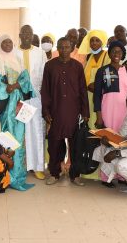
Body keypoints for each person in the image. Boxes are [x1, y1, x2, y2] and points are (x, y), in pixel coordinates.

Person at [0, 34, 35, 191]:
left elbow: (26, 80)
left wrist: (16, 87)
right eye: (5, 42)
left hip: (19, 104)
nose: (8, 44)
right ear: (0, 44)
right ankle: (4, 175)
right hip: (4, 105)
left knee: (19, 139)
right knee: (5, 138)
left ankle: (17, 176)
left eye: (10, 41)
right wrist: (12, 87)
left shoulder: (17, 58)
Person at [41, 37, 89, 186]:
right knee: (55, 144)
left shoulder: (77, 66)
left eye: (67, 47)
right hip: (55, 110)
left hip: (73, 111)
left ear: (72, 48)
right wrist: (46, 111)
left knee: (75, 144)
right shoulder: (49, 66)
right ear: (57, 48)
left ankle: (75, 175)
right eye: (61, 47)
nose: (64, 50)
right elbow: (45, 90)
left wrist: (85, 112)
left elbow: (82, 91)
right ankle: (55, 173)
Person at [16, 25, 48, 180]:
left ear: (33, 35)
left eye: (30, 32)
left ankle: (37, 166)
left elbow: (45, 75)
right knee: (20, 132)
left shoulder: (40, 53)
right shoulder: (13, 52)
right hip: (19, 98)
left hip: (35, 98)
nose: (27, 35)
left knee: (36, 132)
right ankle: (21, 165)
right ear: (20, 35)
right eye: (24, 33)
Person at [93, 41, 127, 132]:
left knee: (123, 138)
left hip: (126, 111)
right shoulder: (102, 71)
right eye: (114, 51)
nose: (116, 54)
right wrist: (99, 116)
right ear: (109, 54)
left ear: (122, 54)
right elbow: (97, 95)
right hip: (108, 111)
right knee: (108, 140)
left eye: (119, 52)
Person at [79, 30, 109, 129]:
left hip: (102, 98)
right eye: (92, 40)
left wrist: (97, 86)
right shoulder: (89, 57)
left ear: (102, 42)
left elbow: (110, 78)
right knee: (90, 127)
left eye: (97, 40)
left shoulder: (107, 56)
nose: (94, 43)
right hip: (88, 98)